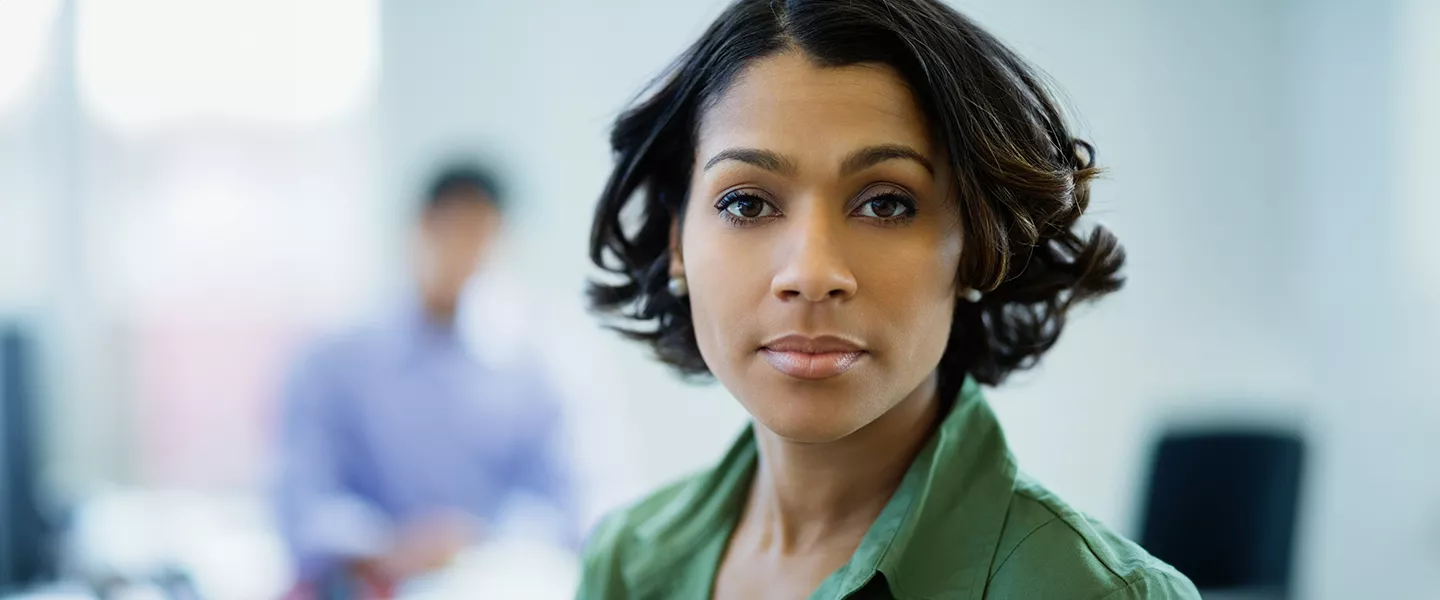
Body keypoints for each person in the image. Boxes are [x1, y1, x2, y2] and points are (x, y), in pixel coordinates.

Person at [578, 1, 1200, 599]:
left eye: (885, 203)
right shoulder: (625, 564)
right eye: (746, 203)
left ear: (978, 244)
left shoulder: (1101, 595)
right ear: (677, 242)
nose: (812, 273)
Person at [275, 164, 573, 595]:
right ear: (422, 227)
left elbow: (575, 494)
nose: (470, 253)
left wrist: (480, 544)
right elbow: (301, 499)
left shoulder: (545, 358)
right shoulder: (332, 358)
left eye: (484, 236)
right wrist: (387, 546)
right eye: (456, 231)